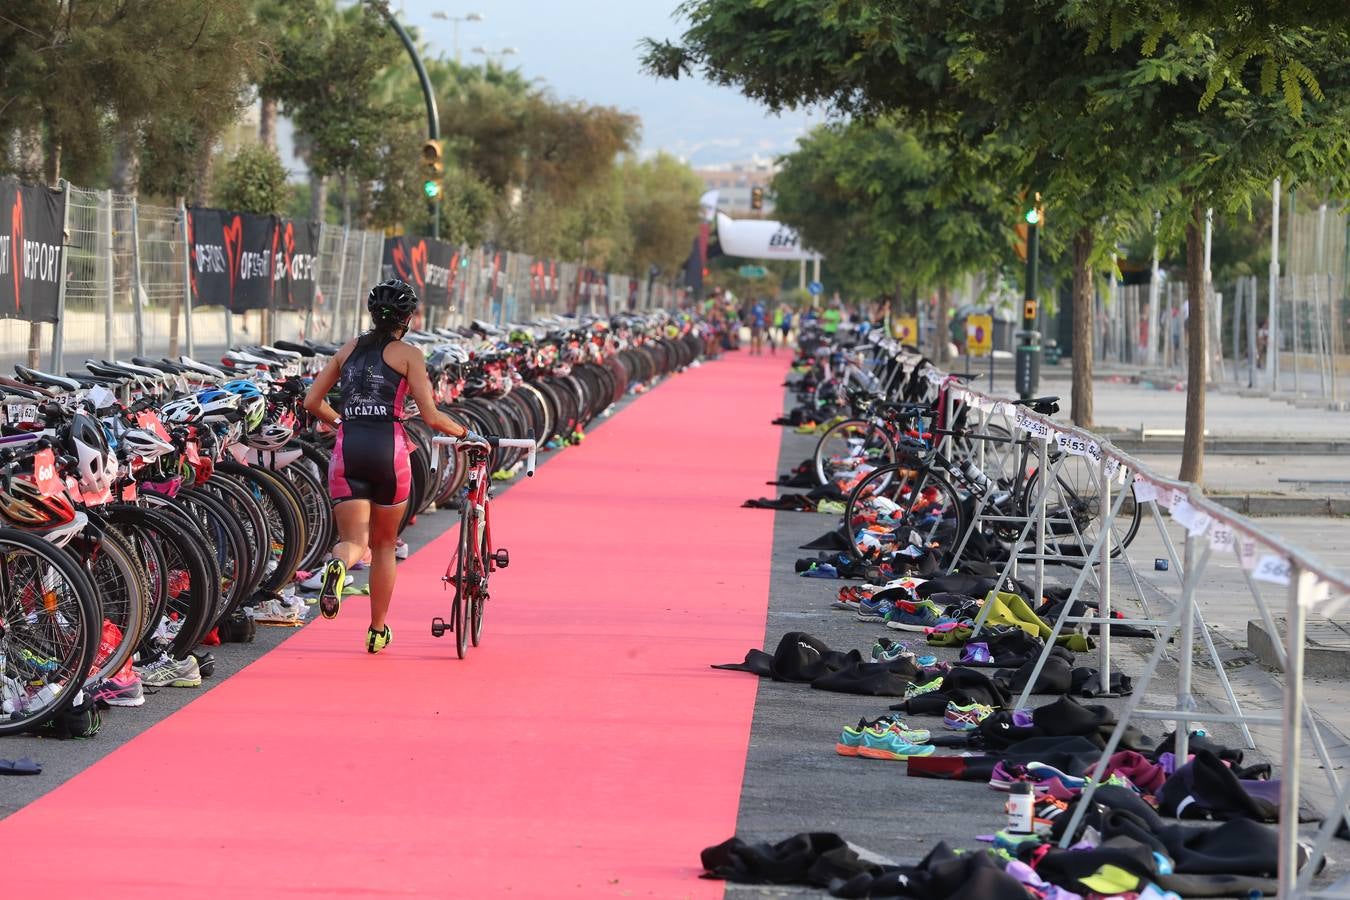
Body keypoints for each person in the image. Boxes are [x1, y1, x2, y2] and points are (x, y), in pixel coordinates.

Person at [303, 278, 471, 653]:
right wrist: (465, 433)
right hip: (388, 450)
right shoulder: (409, 355)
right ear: (407, 318)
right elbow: (430, 416)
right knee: (383, 546)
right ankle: (377, 630)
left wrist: (342, 422)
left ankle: (340, 567)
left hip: (348, 450)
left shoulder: (347, 349)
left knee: (352, 541)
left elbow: (312, 401)